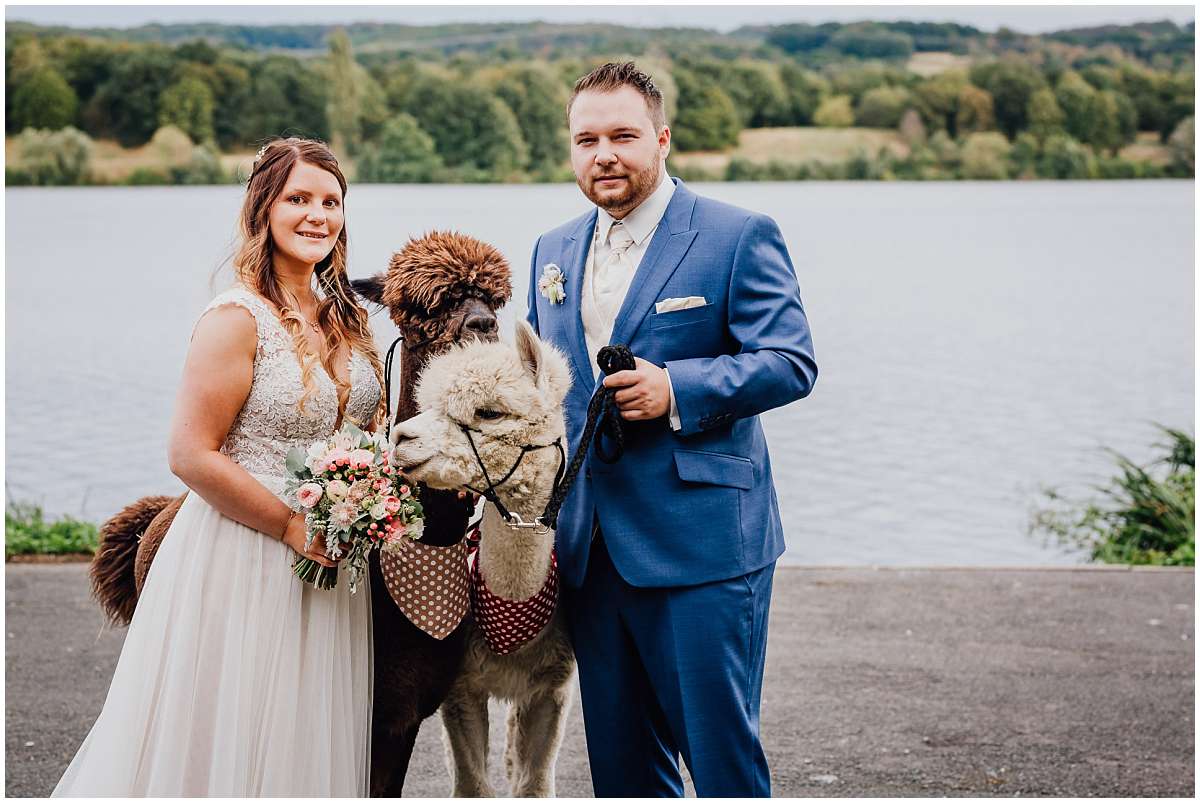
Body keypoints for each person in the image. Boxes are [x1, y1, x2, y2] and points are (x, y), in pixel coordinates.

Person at [53, 138, 385, 796]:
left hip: (331, 560)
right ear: (263, 207)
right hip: (241, 553)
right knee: (221, 736)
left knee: (303, 734)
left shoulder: (347, 320)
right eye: (298, 199)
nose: (317, 215)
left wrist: (368, 496)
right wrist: (292, 524)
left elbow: (368, 433)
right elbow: (190, 452)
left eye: (330, 201)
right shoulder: (237, 319)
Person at [525, 62, 818, 797]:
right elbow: (542, 387)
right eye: (586, 139)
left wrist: (675, 388)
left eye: (623, 135)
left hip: (705, 548)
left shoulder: (736, 235)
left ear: (661, 139)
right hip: (592, 551)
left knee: (721, 764)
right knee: (623, 775)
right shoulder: (551, 251)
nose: (604, 154)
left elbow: (790, 361)